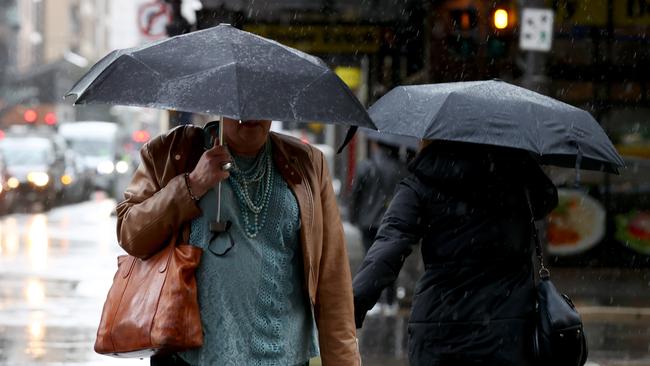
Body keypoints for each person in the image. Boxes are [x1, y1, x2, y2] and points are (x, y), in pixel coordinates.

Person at [116, 118, 360, 365]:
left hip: (284, 356)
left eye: (261, 99)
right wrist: (192, 185)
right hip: (190, 357)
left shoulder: (307, 162)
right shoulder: (174, 154)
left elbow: (332, 279)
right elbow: (131, 235)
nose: (251, 113)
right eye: (240, 106)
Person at [352, 140, 558, 366]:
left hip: (440, 328)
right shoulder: (517, 172)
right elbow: (546, 200)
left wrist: (350, 309)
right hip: (510, 329)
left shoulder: (424, 177)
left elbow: (389, 246)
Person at [349, 139, 406, 314]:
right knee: (389, 259)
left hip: (368, 221)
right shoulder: (400, 168)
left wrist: (354, 216)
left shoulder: (366, 166)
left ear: (376, 144)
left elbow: (356, 194)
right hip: (390, 219)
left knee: (371, 259)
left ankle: (375, 301)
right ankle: (390, 300)